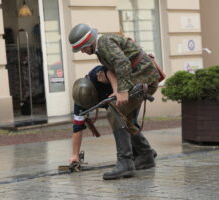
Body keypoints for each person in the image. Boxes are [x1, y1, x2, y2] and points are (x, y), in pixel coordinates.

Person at [69, 24, 161, 180]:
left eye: (83, 48)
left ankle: (125, 162)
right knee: (125, 117)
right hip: (142, 77)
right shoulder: (101, 47)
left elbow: (122, 63)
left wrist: (122, 91)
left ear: (90, 42)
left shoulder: (103, 43)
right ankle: (145, 155)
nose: (83, 52)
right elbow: (114, 69)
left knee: (115, 110)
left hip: (144, 77)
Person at [70, 65, 157, 179]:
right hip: (117, 101)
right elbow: (77, 128)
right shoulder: (80, 101)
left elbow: (108, 72)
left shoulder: (96, 75)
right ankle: (145, 154)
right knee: (123, 121)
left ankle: (142, 156)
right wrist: (75, 155)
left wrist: (117, 91)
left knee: (127, 121)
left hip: (130, 90)